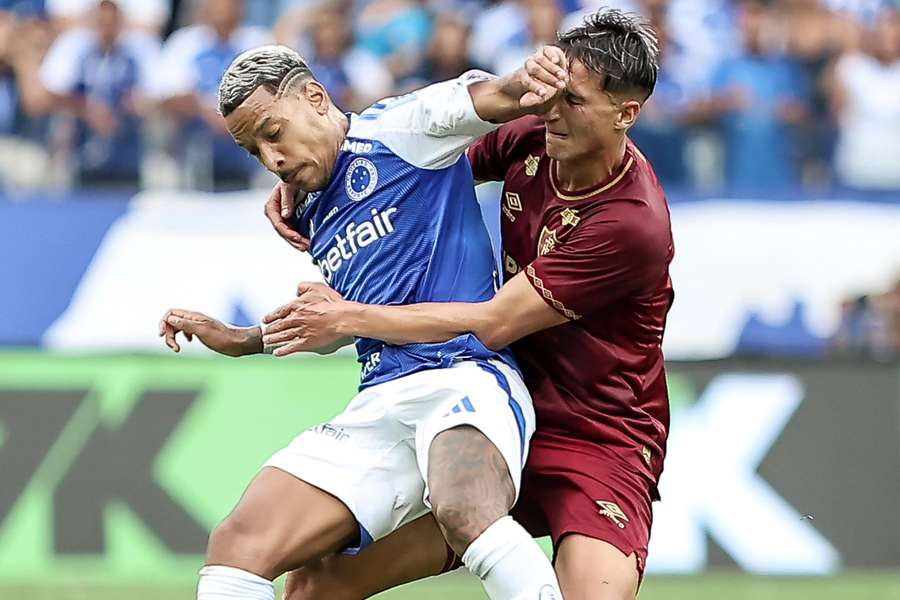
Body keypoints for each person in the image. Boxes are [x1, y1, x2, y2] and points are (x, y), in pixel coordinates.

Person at [263, 9, 673, 600]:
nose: (552, 110)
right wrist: (314, 172)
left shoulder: (631, 222)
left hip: (601, 433)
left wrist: (350, 318)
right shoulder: (535, 132)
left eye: (575, 101)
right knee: (315, 585)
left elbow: (495, 322)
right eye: (551, 92)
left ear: (626, 114)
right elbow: (414, 159)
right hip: (498, 413)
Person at [158, 43, 579, 600]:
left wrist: (527, 77)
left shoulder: (402, 130)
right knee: (239, 548)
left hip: (465, 375)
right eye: (254, 149)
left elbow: (495, 95)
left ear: (314, 96)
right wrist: (242, 341)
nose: (272, 159)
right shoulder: (306, 203)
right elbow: (343, 318)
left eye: (273, 132)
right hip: (380, 400)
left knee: (464, 508)